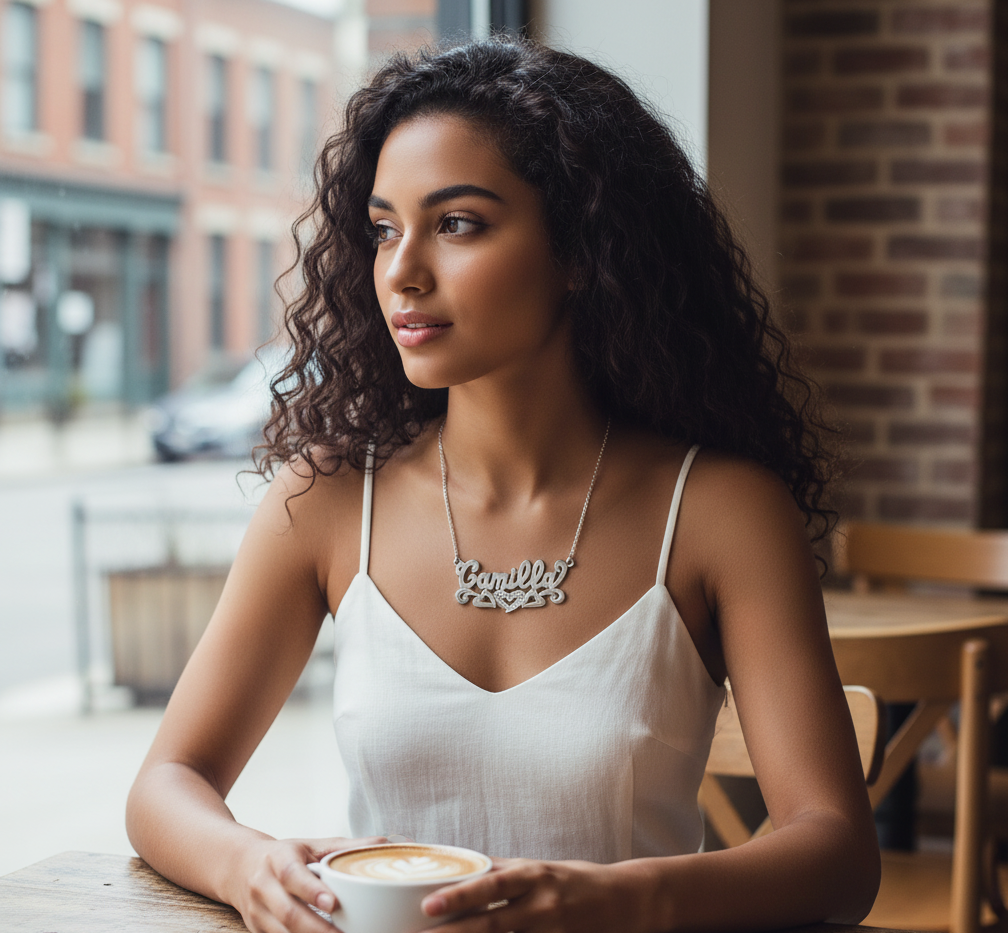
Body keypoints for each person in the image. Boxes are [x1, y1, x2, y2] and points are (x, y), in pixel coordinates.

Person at [126, 36, 880, 933]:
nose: (402, 270)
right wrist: (248, 865)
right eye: (383, 229)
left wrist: (626, 896)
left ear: (580, 248)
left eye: (457, 224)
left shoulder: (720, 513)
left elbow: (838, 850)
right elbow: (166, 783)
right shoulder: (325, 501)